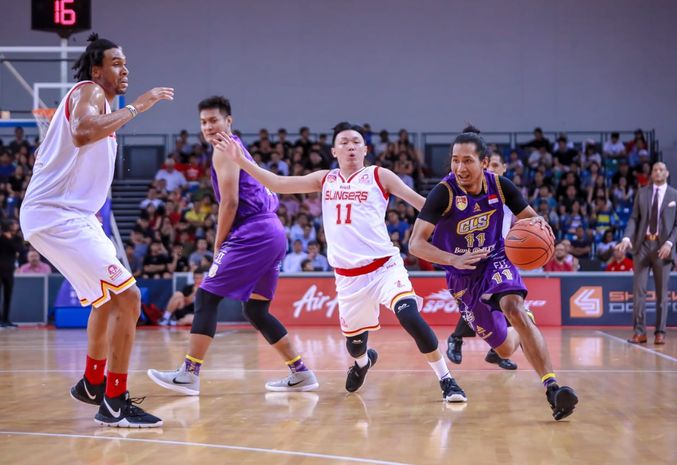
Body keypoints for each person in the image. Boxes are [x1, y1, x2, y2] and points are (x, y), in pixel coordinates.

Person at [216, 122, 467, 402]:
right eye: (344, 142)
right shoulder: (325, 179)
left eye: (356, 142)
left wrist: (456, 222)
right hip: (349, 278)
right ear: (334, 150)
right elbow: (276, 183)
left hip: (385, 267)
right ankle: (362, 362)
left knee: (409, 316)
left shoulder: (379, 175)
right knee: (355, 346)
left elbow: (422, 203)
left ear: (365, 149)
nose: (351, 146)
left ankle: (447, 381)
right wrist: (240, 160)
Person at [18, 33, 173, 427]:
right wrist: (139, 106)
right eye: (117, 63)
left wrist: (92, 210)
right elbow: (84, 132)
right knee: (129, 297)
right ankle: (115, 401)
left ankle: (91, 383)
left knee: (106, 301)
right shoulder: (88, 91)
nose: (125, 70)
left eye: (126, 63)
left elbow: (64, 152)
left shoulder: (93, 103)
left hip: (71, 215)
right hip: (57, 215)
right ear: (97, 69)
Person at [148, 96, 319, 395]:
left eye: (214, 120)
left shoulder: (224, 150)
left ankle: (189, 373)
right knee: (256, 310)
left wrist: (218, 244)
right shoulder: (237, 148)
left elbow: (230, 202)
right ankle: (300, 372)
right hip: (273, 231)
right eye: (203, 122)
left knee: (205, 297)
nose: (208, 127)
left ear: (229, 121)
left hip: (253, 231)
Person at [409, 127, 578, 420]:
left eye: (468, 161)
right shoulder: (443, 193)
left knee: (514, 307)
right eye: (455, 160)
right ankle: (520, 328)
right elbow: (416, 244)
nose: (460, 168)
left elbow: (533, 220)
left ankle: (552, 387)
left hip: (496, 258)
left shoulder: (501, 187)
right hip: (462, 277)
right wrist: (453, 258)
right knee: (505, 347)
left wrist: (542, 232)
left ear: (485, 162)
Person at [445, 151, 517, 370]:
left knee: (509, 304)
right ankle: (457, 338)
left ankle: (498, 350)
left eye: (497, 165)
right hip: (474, 255)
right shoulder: (477, 192)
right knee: (477, 307)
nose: (493, 169)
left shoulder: (507, 191)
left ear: (504, 167)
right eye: (490, 165)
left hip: (500, 255)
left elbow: (518, 222)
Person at [616, 162, 677, 345]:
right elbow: (634, 218)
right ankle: (640, 332)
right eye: (655, 170)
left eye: (661, 169)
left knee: (662, 293)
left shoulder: (676, 196)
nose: (658, 172)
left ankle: (660, 332)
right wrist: (626, 238)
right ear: (651, 173)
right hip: (642, 245)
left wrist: (669, 243)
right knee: (639, 291)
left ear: (667, 173)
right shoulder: (642, 192)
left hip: (663, 248)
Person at [0, 220, 23, 327]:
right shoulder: (1, 238)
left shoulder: (17, 238)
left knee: (8, 296)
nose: (15, 226)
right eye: (13, 224)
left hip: (9, 270)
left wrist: (9, 239)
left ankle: (6, 320)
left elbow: (19, 249)